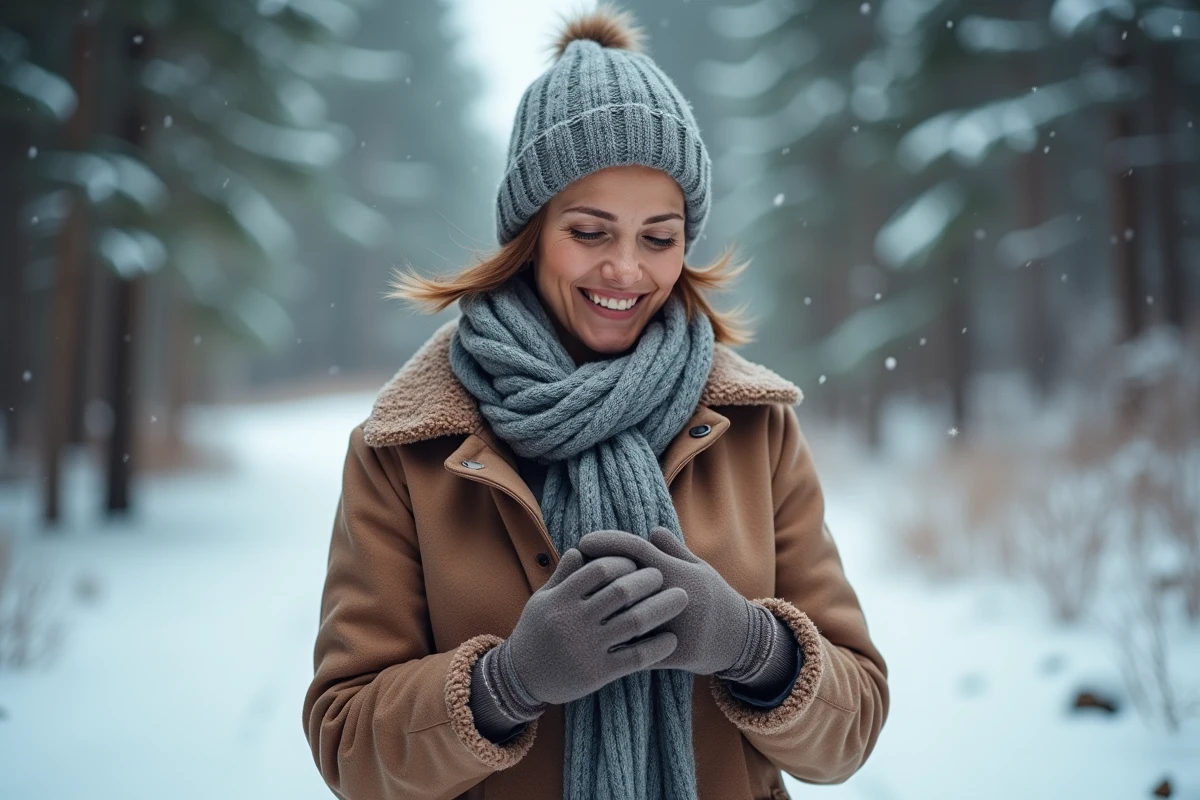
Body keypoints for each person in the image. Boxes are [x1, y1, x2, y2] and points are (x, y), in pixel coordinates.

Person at [302, 5, 888, 799]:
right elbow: (349, 750)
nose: (626, 270)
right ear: (531, 231)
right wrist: (505, 684)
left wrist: (753, 647)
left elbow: (850, 735)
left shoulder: (754, 427)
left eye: (659, 237)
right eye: (590, 232)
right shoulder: (411, 446)